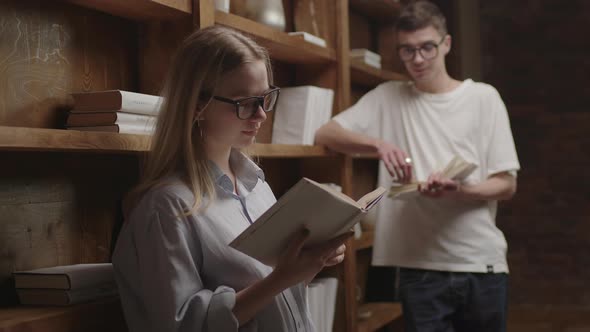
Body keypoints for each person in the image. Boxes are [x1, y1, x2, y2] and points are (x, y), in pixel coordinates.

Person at [112, 25, 351, 332]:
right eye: (245, 103)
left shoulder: (258, 187)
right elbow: (181, 325)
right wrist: (281, 278)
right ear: (198, 106)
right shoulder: (166, 207)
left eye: (265, 98)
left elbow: (274, 298)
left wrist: (310, 263)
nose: (262, 115)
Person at [315, 1, 520, 331]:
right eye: (407, 51)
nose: (418, 59)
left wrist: (460, 191)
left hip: (480, 264)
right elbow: (326, 132)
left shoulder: (483, 98)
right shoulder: (388, 96)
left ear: (446, 44)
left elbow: (506, 185)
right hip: (417, 267)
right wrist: (378, 145)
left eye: (427, 47)